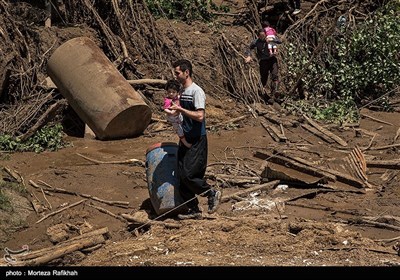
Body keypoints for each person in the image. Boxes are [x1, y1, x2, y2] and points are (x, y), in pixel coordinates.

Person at [168, 59, 221, 220]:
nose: (175, 76)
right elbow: (181, 113)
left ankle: (211, 192)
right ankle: (193, 209)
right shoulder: (182, 91)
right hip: (185, 137)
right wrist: (173, 114)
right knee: (181, 175)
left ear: (186, 72)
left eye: (177, 73)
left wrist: (180, 109)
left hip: (197, 138)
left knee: (189, 174)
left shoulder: (196, 91)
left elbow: (199, 116)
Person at [244, 28, 280, 102]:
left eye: (264, 35)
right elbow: (248, 47)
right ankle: (260, 94)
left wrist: (271, 40)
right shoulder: (256, 42)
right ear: (258, 36)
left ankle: (274, 94)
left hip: (272, 59)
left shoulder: (270, 37)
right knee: (264, 78)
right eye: (261, 36)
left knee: (274, 75)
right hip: (263, 61)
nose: (263, 37)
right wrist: (248, 56)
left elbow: (279, 41)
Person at [163, 79, 191, 148]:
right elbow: (165, 109)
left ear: (177, 92)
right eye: (169, 92)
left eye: (173, 92)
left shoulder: (177, 98)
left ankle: (186, 139)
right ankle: (185, 143)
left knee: (184, 126)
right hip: (173, 118)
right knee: (179, 131)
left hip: (179, 115)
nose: (171, 94)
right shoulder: (168, 100)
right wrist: (170, 112)